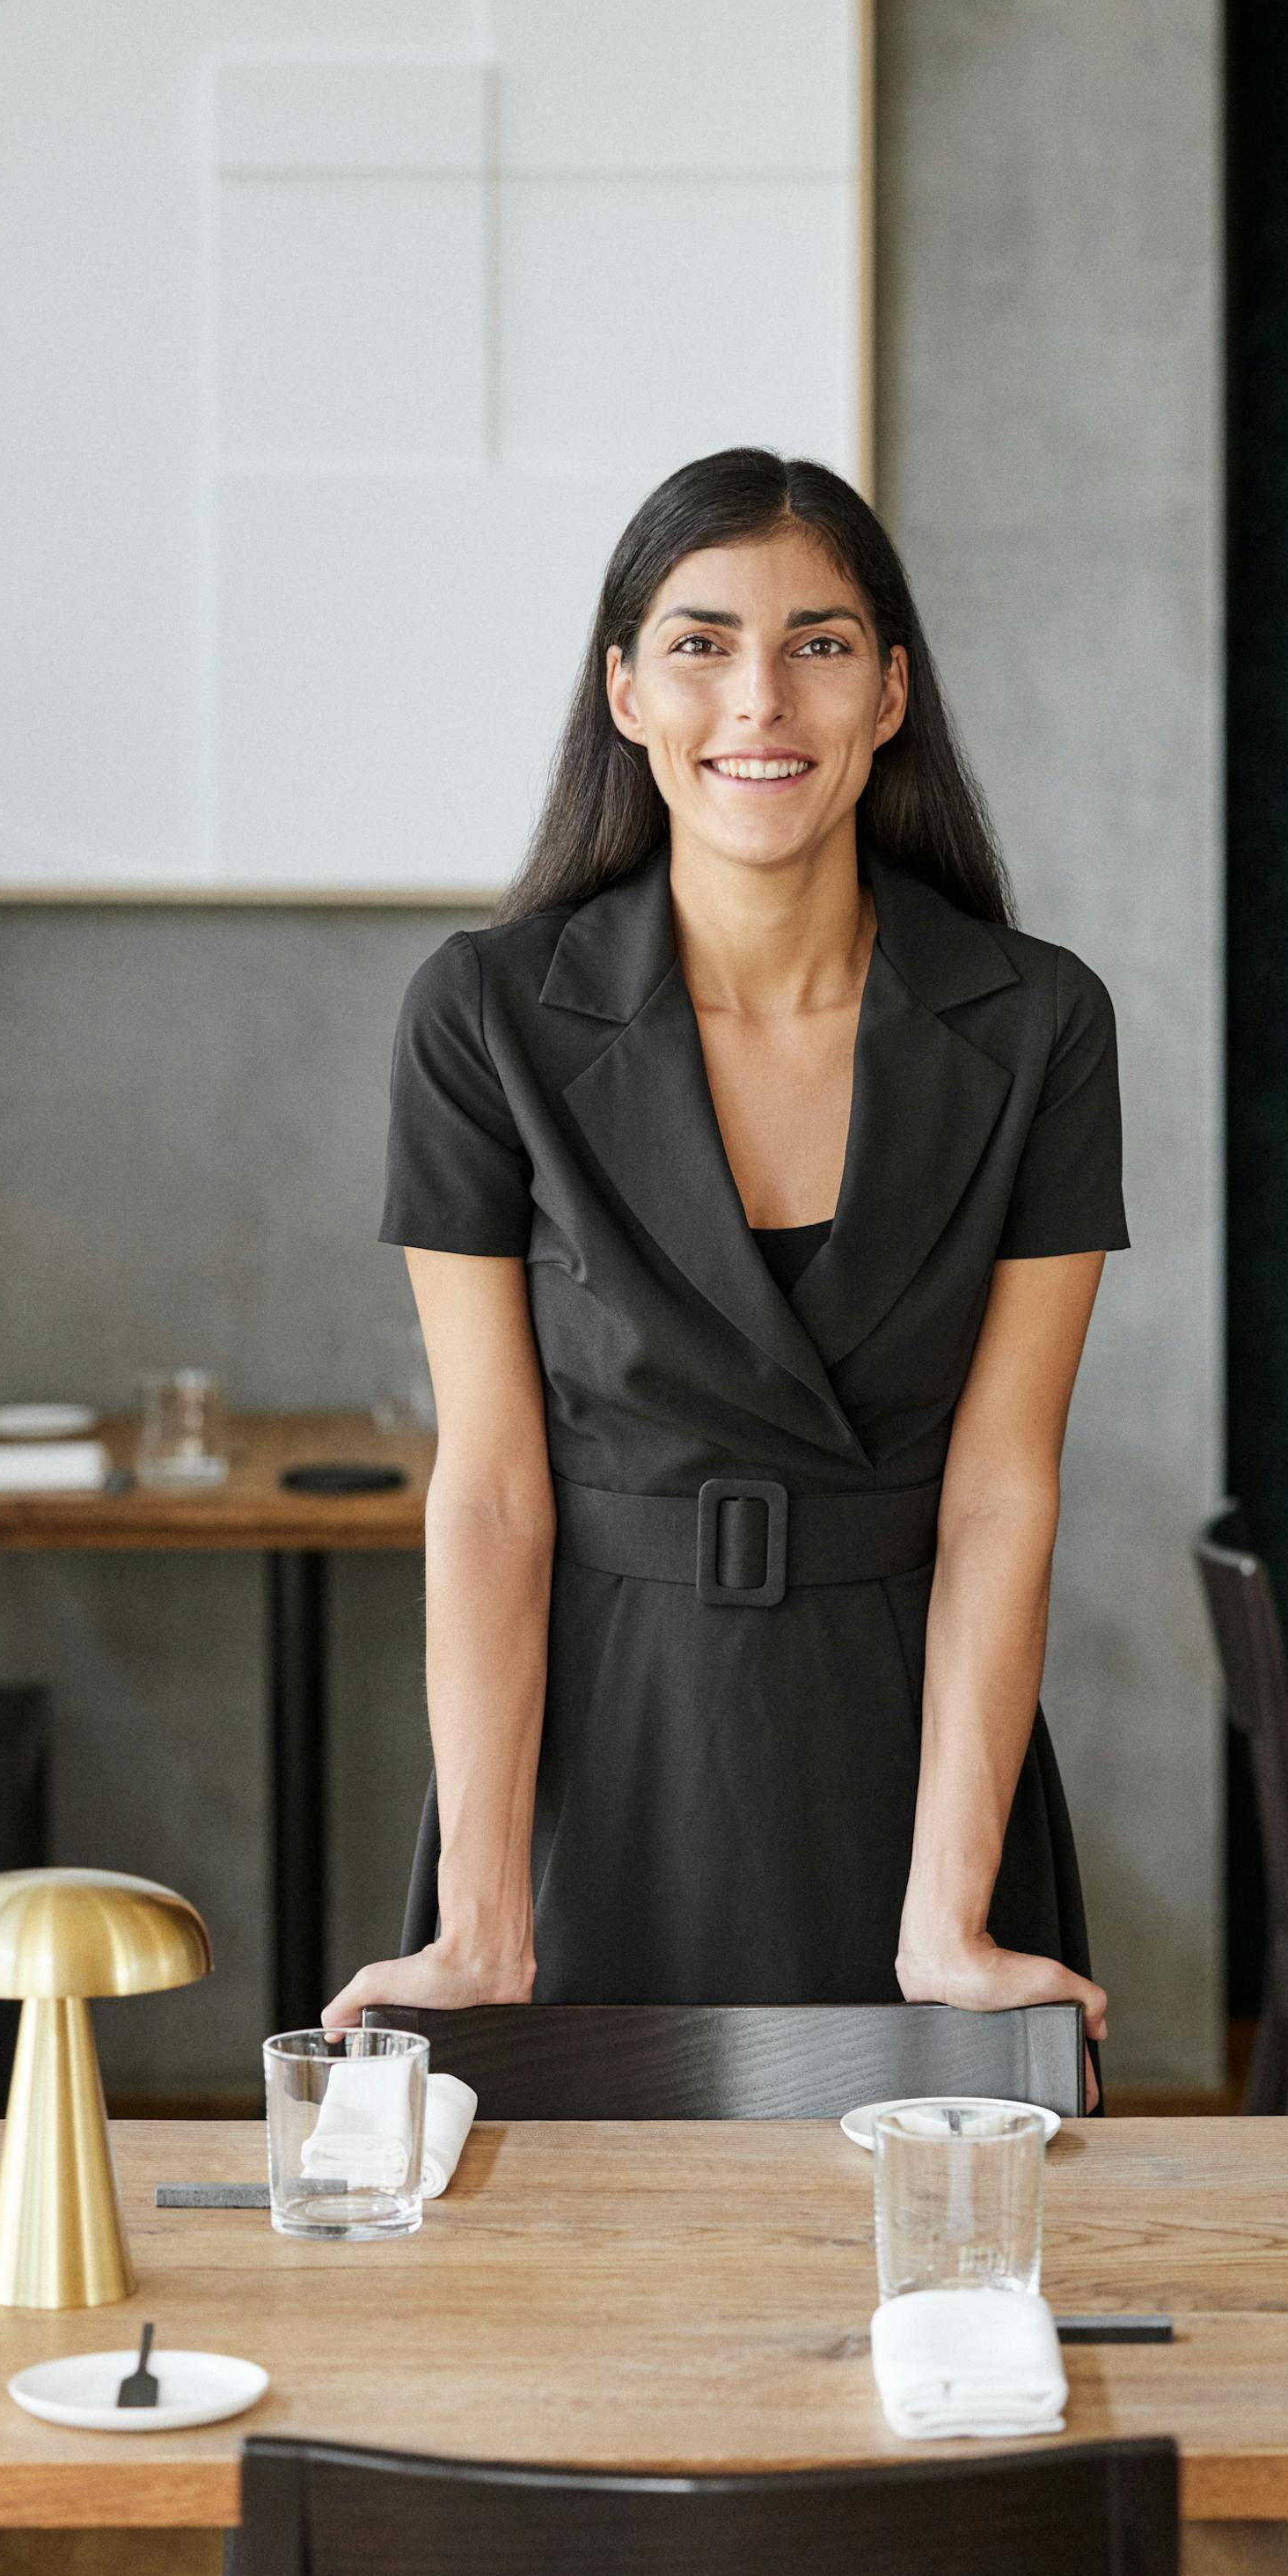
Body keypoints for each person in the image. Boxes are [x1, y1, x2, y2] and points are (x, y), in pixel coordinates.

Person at [322, 447, 1124, 2078]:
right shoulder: (482, 1016)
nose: (760, 698)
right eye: (700, 644)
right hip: (604, 1756)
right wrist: (483, 1917)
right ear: (625, 693)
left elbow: (1000, 1489)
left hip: (912, 1763)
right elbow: (485, 1491)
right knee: (568, 2304)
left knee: (943, 2298)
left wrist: (948, 1915)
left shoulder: (1041, 1021)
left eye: (819, 644)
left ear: (890, 693)